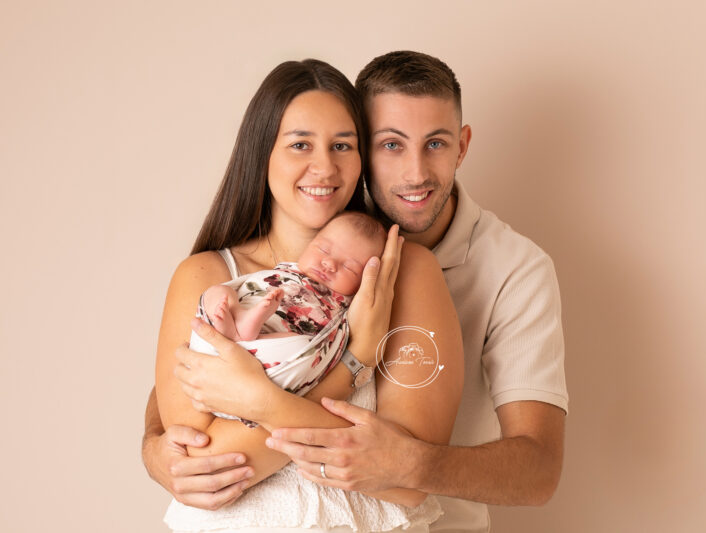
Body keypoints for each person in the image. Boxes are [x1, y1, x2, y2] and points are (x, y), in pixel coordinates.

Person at [145, 51, 567, 532]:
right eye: (300, 144)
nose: (324, 167)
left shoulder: (409, 272)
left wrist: (259, 402)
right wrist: (355, 360)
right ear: (261, 151)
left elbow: (406, 474)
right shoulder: (205, 275)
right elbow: (207, 470)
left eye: (342, 145)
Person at [192, 212, 386, 426]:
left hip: (269, 360)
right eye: (323, 249)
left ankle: (247, 330)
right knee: (218, 292)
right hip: (220, 340)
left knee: (299, 345)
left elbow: (335, 341)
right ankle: (241, 322)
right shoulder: (286, 270)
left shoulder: (345, 304)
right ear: (309, 244)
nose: (329, 263)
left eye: (350, 267)